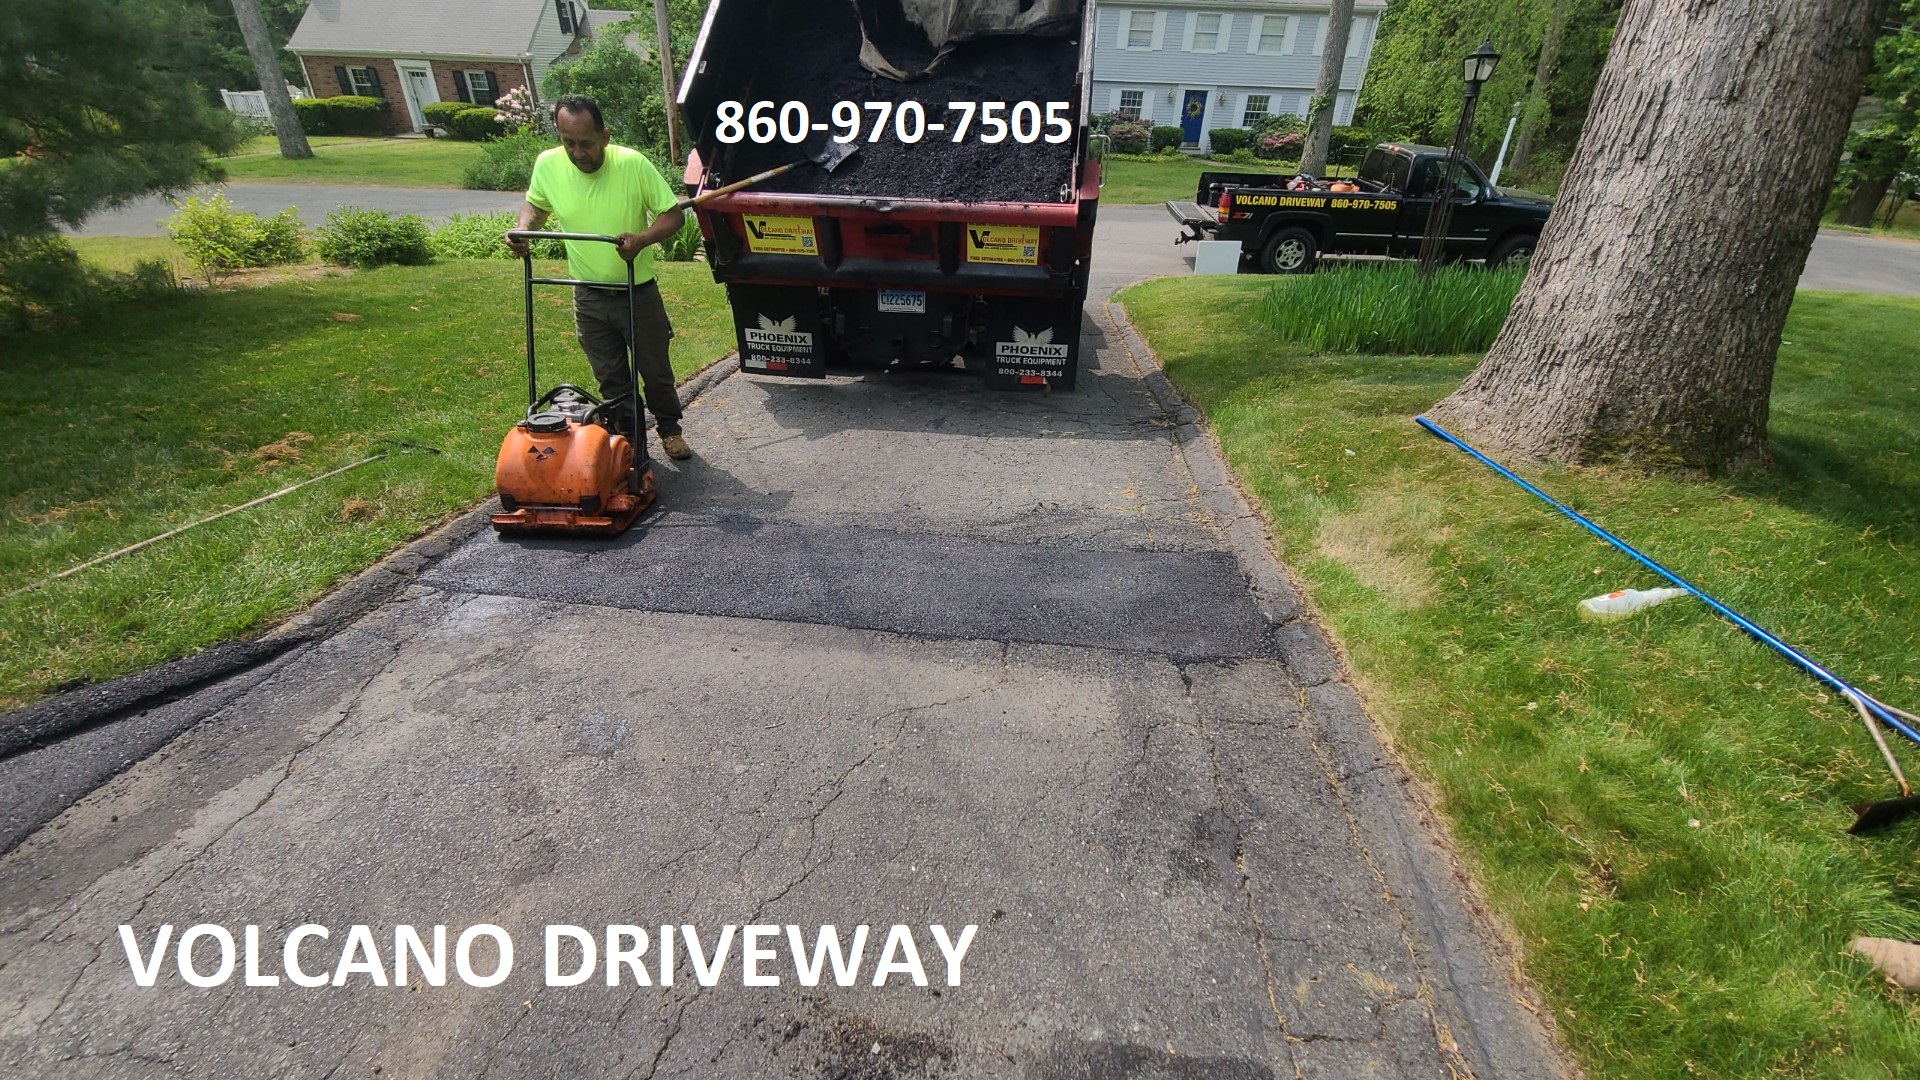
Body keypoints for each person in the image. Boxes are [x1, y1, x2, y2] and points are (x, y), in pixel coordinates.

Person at [506, 95, 692, 460]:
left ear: (605, 136)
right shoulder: (548, 165)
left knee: (655, 372)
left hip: (636, 291)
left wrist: (642, 240)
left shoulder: (633, 164)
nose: (578, 153)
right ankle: (631, 444)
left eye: (586, 143)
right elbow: (537, 205)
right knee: (611, 379)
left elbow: (673, 216)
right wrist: (524, 228)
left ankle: (669, 429)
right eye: (568, 142)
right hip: (587, 295)